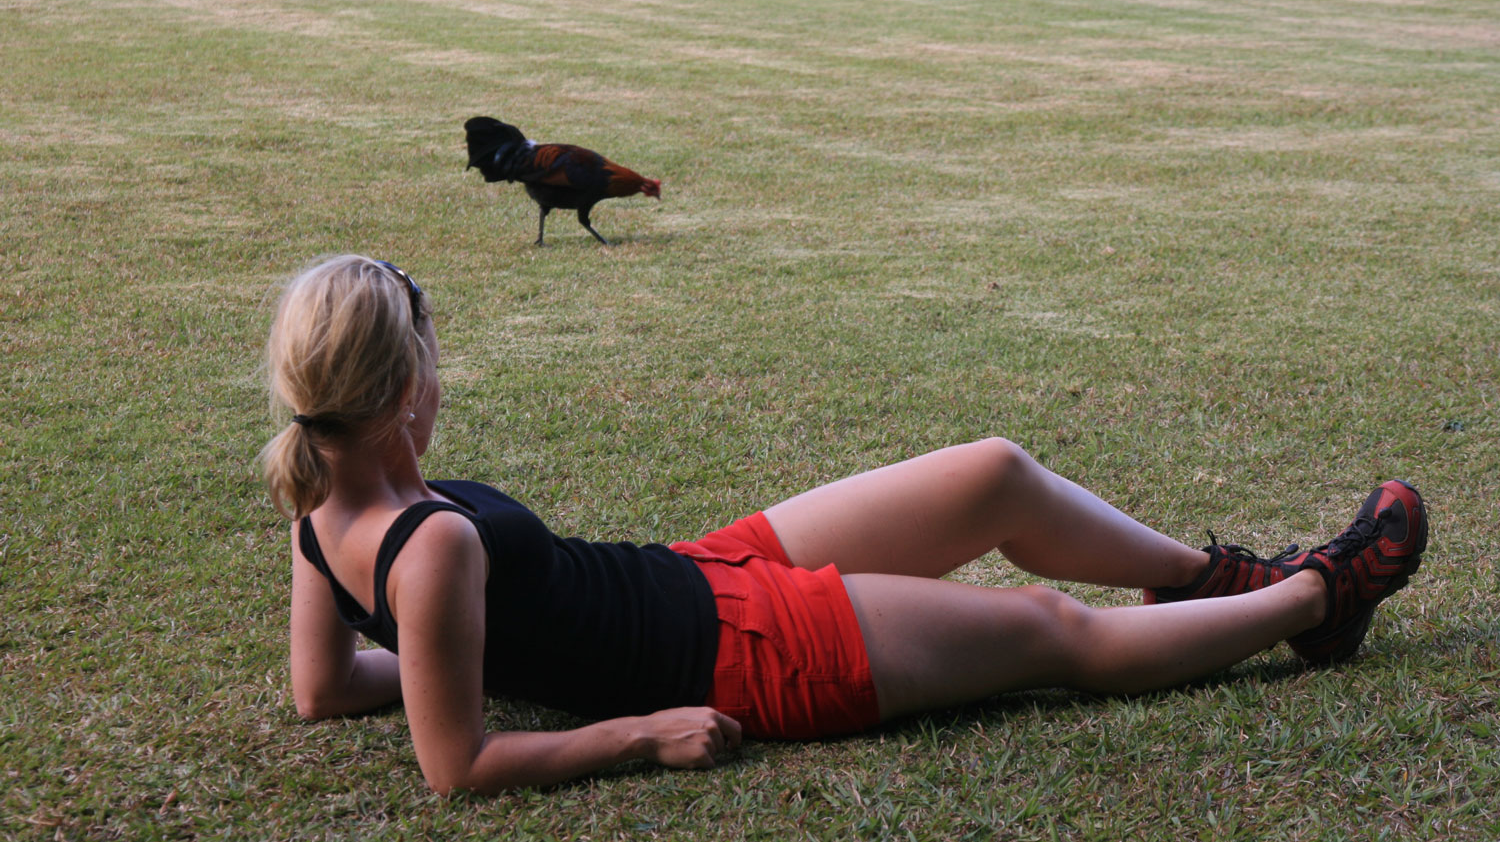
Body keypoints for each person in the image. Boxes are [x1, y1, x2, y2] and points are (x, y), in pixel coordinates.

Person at [261, 255, 1428, 796]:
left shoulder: (322, 509)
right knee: (1048, 627)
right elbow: (458, 764)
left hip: (697, 572)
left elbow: (325, 685)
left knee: (993, 473)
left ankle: (1206, 578)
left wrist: (454, 658)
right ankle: (1316, 599)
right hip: (738, 655)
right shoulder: (433, 544)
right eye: (435, 356)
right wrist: (640, 733)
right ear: (402, 385)